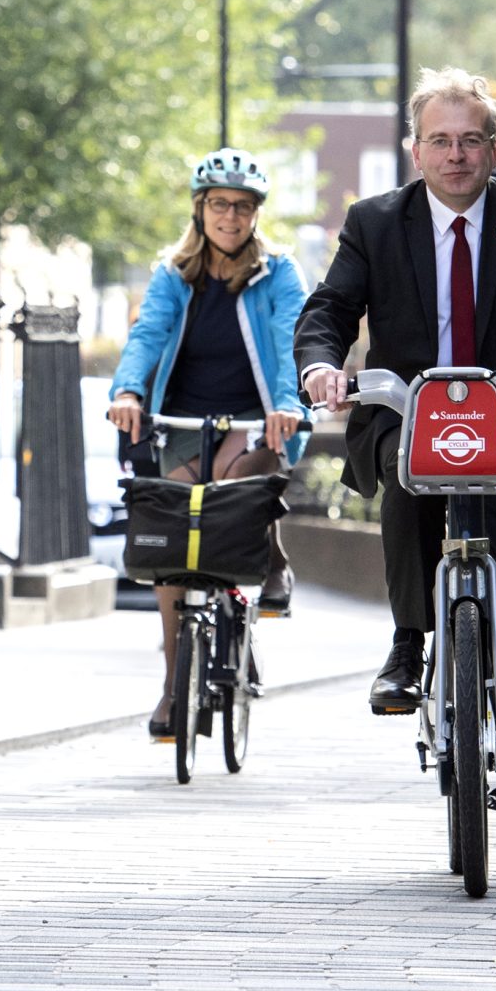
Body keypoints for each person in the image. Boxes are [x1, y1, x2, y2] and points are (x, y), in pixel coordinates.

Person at [293, 68, 496, 830]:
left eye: (471, 140)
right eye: (440, 140)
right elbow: (331, 308)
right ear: (415, 150)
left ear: (494, 147)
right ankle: (410, 642)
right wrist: (320, 365)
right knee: (411, 485)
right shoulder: (376, 222)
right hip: (415, 414)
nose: (456, 155)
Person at [106, 149, 310, 738]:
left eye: (242, 207)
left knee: (245, 478)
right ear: (200, 211)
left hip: (255, 419)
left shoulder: (278, 272)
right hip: (182, 424)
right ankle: (174, 687)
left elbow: (289, 338)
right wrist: (128, 393)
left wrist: (287, 406)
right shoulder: (174, 274)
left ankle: (272, 562)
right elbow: (147, 335)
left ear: (254, 214)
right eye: (219, 205)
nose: (230, 217)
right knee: (172, 540)